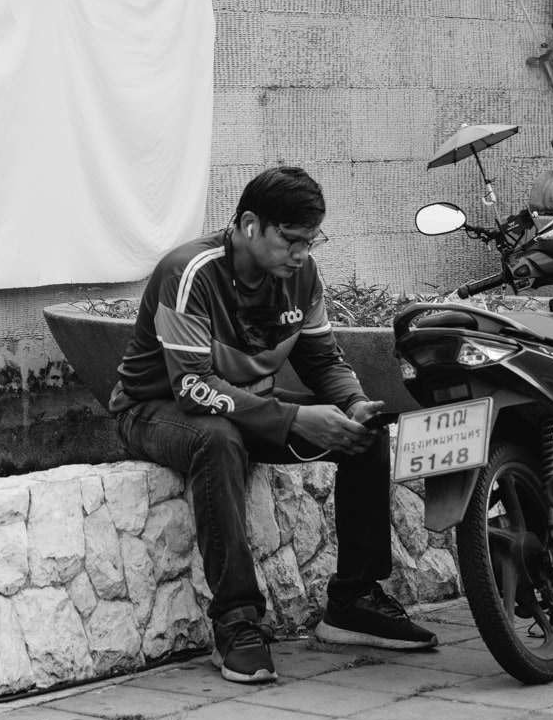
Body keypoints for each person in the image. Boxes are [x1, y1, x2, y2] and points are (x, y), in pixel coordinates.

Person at [110, 166, 436, 684]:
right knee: (219, 439)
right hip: (154, 407)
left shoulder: (302, 277)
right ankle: (236, 622)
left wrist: (353, 405)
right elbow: (193, 387)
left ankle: (352, 602)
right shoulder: (188, 272)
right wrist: (294, 417)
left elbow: (324, 362)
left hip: (244, 401)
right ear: (248, 225)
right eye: (291, 241)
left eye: (311, 241)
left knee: (361, 436)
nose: (303, 254)